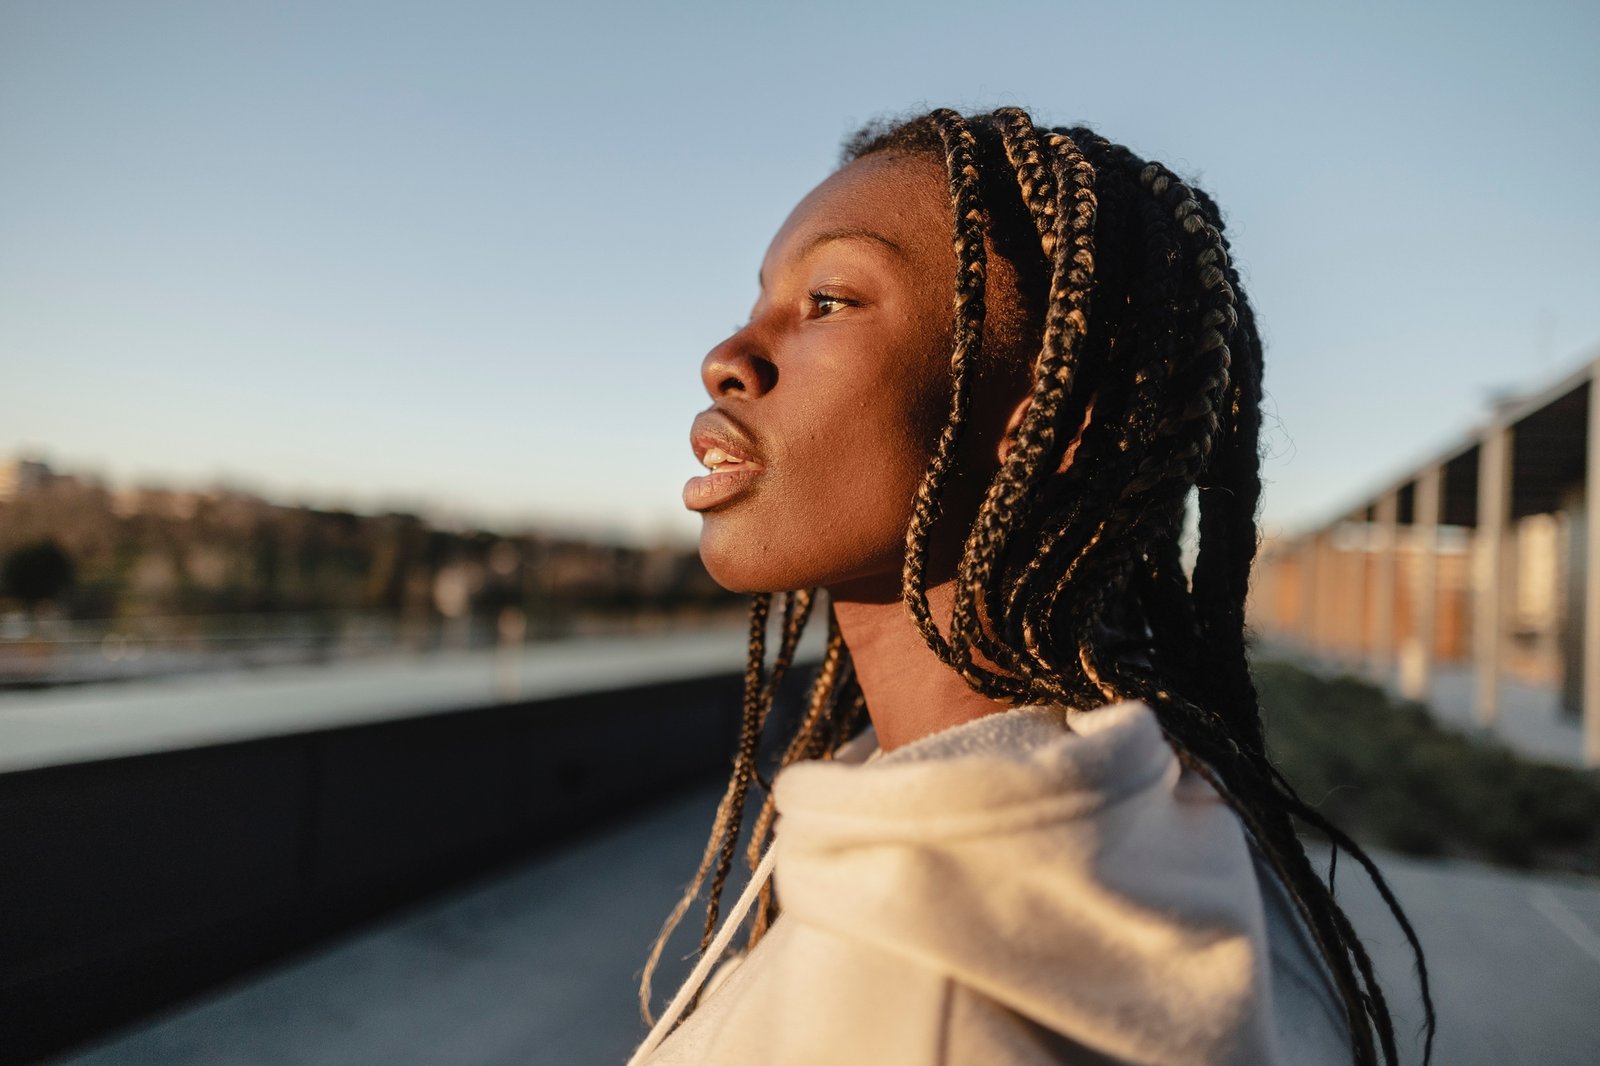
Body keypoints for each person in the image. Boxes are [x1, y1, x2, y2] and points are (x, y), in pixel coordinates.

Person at [626, 106, 1434, 1066]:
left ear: (1048, 418)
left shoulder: (937, 994)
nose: (728, 358)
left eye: (829, 299)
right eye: (759, 299)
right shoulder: (1152, 817)